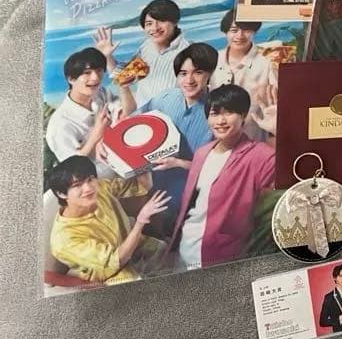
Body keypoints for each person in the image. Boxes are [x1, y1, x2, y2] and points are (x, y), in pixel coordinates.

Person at [168, 85, 275, 270]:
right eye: (215, 113)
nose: (221, 120)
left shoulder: (258, 154)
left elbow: (289, 174)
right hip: (184, 248)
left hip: (219, 256)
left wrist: (277, 132)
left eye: (229, 112)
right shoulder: (202, 152)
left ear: (243, 116)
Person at [118, 42, 219, 232]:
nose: (189, 80)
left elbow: (220, 166)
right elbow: (134, 120)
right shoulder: (167, 97)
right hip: (154, 186)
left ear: (210, 73)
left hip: (193, 194)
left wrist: (178, 163)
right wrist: (106, 140)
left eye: (197, 72)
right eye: (183, 73)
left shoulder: (218, 111)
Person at [46, 155, 171, 285]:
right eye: (77, 185)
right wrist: (140, 222)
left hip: (130, 244)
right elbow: (117, 260)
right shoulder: (64, 239)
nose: (88, 188)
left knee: (161, 248)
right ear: (61, 193)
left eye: (90, 179)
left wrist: (140, 157)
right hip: (107, 273)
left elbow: (142, 185)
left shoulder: (99, 188)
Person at [94, 0, 191, 106]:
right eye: (149, 23)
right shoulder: (146, 48)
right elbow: (123, 78)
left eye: (161, 21)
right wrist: (107, 57)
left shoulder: (189, 51)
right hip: (145, 115)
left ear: (175, 22)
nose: (155, 28)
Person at [46, 47, 118, 179]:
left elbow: (127, 109)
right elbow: (72, 167)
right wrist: (96, 134)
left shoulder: (101, 93)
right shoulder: (59, 124)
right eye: (87, 73)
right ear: (71, 79)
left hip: (121, 164)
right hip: (99, 182)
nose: (95, 77)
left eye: (99, 71)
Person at [208, 9, 277, 142]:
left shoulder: (267, 62)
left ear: (254, 32)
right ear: (225, 32)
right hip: (217, 140)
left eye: (246, 30)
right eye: (234, 30)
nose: (240, 36)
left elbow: (279, 104)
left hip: (253, 140)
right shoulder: (213, 59)